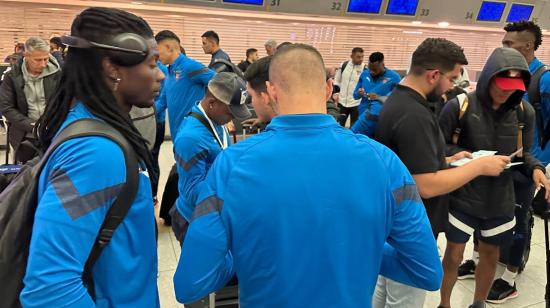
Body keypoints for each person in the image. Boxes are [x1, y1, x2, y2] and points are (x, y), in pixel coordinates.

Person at [173, 43, 442, 306]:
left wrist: (244, 251)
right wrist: (357, 247)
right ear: (327, 89)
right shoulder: (385, 163)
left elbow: (190, 284)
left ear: (271, 90)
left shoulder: (231, 166)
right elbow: (427, 272)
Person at [20, 7, 164, 307]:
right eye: (152, 64)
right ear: (112, 67)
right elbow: (50, 288)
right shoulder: (96, 154)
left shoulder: (96, 127)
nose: (160, 75)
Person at [374, 38, 511, 308]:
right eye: (451, 78)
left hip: (392, 218)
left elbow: (408, 163)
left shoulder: (398, 101)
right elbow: (426, 185)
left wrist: (446, 159)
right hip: (410, 226)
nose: (452, 85)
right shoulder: (415, 114)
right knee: (404, 299)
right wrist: (479, 166)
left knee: (385, 290)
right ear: (433, 75)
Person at [438, 47, 550, 308]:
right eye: (500, 84)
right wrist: (468, 157)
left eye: (512, 86)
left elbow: (524, 155)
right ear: (489, 78)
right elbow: (440, 147)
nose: (505, 91)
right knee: (454, 254)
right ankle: (444, 303)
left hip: (500, 197)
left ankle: (479, 303)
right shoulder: (460, 105)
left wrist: (535, 169)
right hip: (464, 193)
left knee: (490, 254)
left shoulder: (524, 113)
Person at [171, 72, 250, 243]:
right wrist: (234, 181)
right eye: (231, 113)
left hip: (215, 212)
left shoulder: (215, 120)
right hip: (194, 220)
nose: (234, 118)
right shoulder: (191, 138)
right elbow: (192, 192)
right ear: (212, 103)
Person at [0, 37, 61, 162]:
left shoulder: (58, 74)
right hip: (24, 136)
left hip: (53, 133)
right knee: (25, 174)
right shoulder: (11, 76)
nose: (43, 64)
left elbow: (66, 101)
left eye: (46, 58)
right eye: (38, 60)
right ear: (26, 56)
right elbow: (6, 107)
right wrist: (32, 125)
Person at [156, 30, 215, 135]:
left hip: (193, 134)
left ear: (168, 47)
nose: (156, 54)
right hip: (177, 135)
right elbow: (162, 102)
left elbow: (220, 83)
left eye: (157, 50)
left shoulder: (190, 66)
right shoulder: (169, 72)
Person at [351, 52, 400, 137]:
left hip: (380, 120)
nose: (372, 72)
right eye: (370, 68)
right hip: (362, 117)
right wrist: (359, 93)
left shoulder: (394, 77)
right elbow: (355, 95)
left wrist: (379, 97)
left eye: (375, 69)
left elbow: (398, 101)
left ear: (382, 64)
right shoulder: (364, 74)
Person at [333, 47, 365, 127]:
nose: (361, 59)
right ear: (352, 56)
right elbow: (337, 80)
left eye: (362, 57)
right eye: (358, 57)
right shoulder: (344, 65)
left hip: (356, 104)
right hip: (342, 102)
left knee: (355, 128)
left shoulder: (365, 69)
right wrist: (336, 93)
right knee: (339, 126)